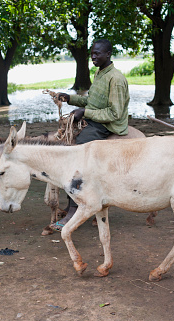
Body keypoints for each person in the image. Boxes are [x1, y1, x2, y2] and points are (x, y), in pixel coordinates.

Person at [53, 39, 130, 230]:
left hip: (108, 125)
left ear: (108, 54)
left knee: (76, 156)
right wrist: (69, 99)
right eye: (92, 53)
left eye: (97, 54)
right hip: (97, 119)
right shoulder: (100, 73)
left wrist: (84, 113)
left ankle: (73, 209)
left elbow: (115, 114)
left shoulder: (116, 79)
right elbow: (92, 102)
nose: (93, 57)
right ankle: (75, 201)